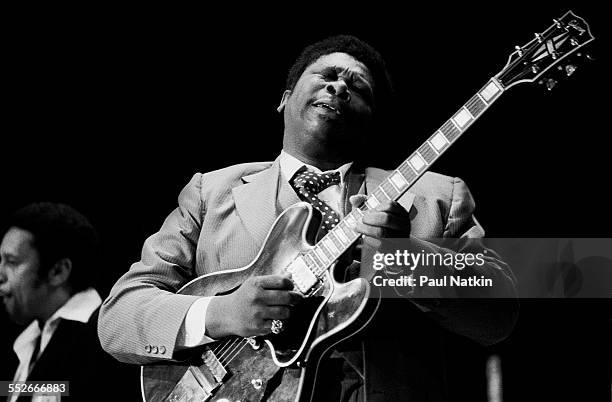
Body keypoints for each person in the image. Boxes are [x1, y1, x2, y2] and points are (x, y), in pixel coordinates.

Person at [98, 35, 518, 401]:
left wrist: (401, 256)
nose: (339, 87)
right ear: (284, 98)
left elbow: (499, 315)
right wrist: (220, 313)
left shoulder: (436, 195)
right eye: (327, 75)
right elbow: (119, 316)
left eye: (359, 88)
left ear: (371, 122)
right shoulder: (211, 191)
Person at [0, 202, 140, 401]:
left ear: (58, 271)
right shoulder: (32, 337)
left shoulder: (108, 341)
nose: (1, 274)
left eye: (12, 262)